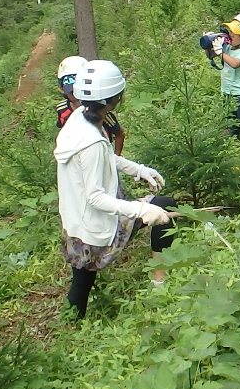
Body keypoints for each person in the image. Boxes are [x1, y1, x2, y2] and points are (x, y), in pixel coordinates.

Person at [54, 59, 176, 317]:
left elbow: (106, 155)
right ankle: (160, 284)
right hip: (97, 227)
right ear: (114, 99)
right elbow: (95, 197)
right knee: (163, 207)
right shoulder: (91, 143)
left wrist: (138, 169)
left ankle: (70, 324)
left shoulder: (78, 119)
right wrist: (140, 210)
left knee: (82, 280)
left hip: (75, 223)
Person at [54, 55, 125, 154]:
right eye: (72, 91)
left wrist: (116, 157)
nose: (77, 96)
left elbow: (119, 133)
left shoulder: (101, 113)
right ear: (62, 89)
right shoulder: (61, 109)